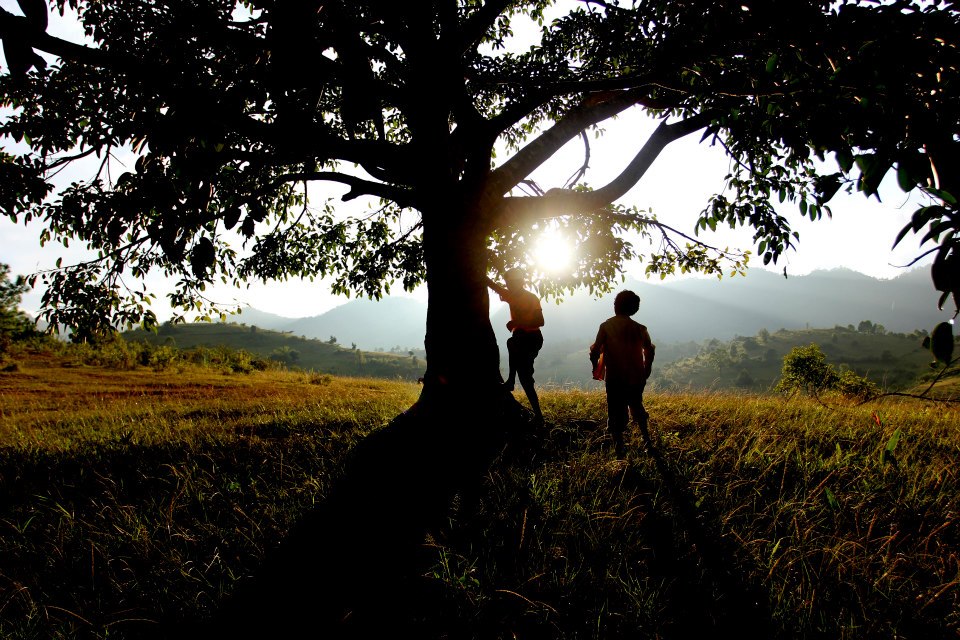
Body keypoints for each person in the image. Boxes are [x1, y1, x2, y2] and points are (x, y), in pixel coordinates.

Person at [589, 290, 655, 456]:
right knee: (636, 405)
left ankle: (619, 449)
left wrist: (594, 366)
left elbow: (595, 351)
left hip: (615, 378)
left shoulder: (606, 327)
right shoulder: (640, 328)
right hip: (636, 377)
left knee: (615, 409)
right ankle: (647, 441)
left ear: (615, 306)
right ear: (634, 309)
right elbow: (649, 349)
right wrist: (647, 368)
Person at [487, 269, 544, 423]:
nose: (508, 286)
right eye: (507, 283)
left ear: (519, 282)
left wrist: (517, 323)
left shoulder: (531, 298)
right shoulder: (511, 295)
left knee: (512, 344)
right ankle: (538, 416)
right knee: (525, 377)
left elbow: (540, 321)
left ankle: (511, 381)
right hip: (521, 339)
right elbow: (495, 287)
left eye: (510, 283)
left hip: (532, 338)